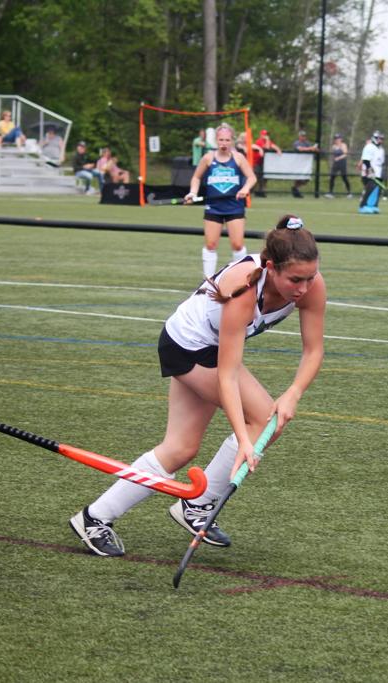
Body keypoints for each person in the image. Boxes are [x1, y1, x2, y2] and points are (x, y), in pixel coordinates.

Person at [68, 214, 326, 557]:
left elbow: (313, 350)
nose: (304, 288)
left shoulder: (311, 286)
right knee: (265, 419)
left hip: (209, 348)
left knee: (180, 449)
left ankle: (94, 518)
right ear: (270, 268)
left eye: (310, 277)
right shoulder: (243, 288)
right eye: (295, 280)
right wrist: (244, 440)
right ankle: (198, 504)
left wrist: (293, 392)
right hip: (186, 346)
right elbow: (227, 374)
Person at [186, 123, 258, 278]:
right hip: (214, 206)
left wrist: (245, 189)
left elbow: (252, 177)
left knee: (237, 245)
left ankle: (240, 278)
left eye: (227, 140)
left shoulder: (238, 158)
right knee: (211, 244)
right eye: (221, 140)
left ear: (232, 140)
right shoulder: (208, 158)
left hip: (234, 206)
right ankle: (209, 282)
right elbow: (196, 177)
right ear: (216, 140)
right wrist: (193, 192)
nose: (224, 143)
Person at [358, 130, 386, 214]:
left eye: (382, 139)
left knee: (377, 190)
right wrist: (369, 170)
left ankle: (373, 206)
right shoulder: (369, 147)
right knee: (370, 189)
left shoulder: (381, 149)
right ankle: (363, 206)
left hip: (378, 173)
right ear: (375, 138)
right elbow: (366, 160)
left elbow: (380, 162)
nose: (381, 140)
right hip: (369, 173)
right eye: (379, 138)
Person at [253, 129, 281, 197]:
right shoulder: (259, 141)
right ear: (261, 135)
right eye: (264, 134)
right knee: (256, 177)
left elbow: (274, 146)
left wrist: (278, 150)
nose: (266, 136)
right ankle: (254, 191)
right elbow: (267, 147)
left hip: (263, 163)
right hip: (256, 162)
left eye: (267, 134)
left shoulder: (267, 141)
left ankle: (261, 191)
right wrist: (268, 140)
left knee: (263, 177)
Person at [291, 130, 318, 198]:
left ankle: (295, 188)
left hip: (306, 164)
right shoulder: (296, 143)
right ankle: (296, 190)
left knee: (307, 178)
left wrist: (315, 149)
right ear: (299, 136)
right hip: (298, 163)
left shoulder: (307, 143)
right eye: (302, 136)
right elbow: (300, 149)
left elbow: (314, 149)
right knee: (298, 177)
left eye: (304, 136)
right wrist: (310, 148)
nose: (303, 137)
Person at [325, 133, 351, 198]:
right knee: (332, 177)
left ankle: (349, 193)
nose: (337, 140)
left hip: (342, 163)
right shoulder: (334, 146)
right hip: (336, 164)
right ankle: (330, 193)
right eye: (336, 139)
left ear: (341, 139)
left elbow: (345, 154)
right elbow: (333, 155)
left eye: (338, 138)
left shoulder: (344, 145)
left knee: (344, 177)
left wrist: (339, 158)